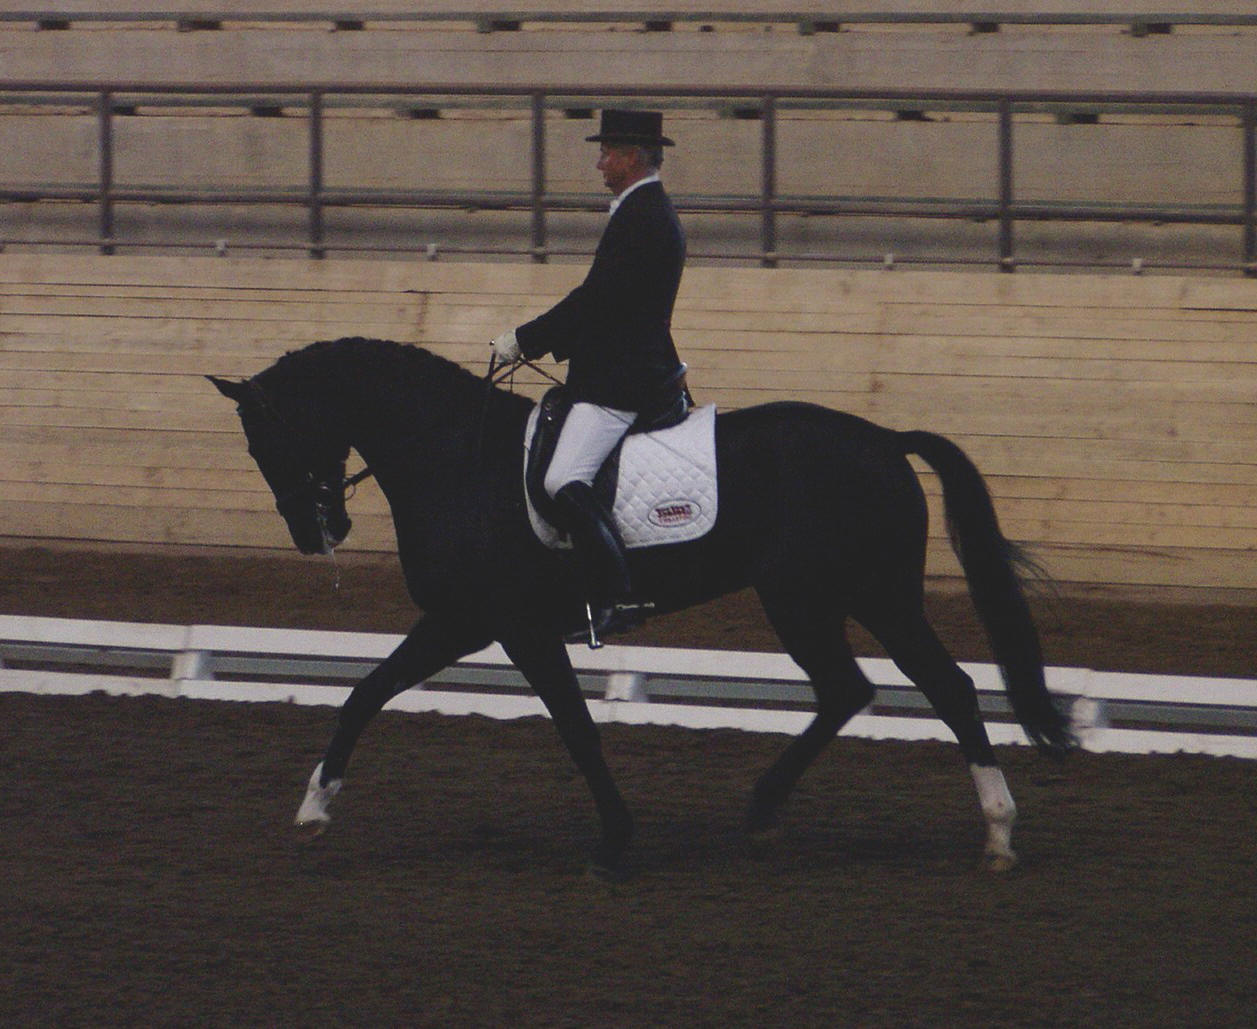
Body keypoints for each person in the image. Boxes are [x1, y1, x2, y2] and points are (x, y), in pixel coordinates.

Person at [491, 108, 688, 642]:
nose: (599, 163)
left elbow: (597, 301)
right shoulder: (640, 210)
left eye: (606, 153)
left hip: (623, 381)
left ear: (631, 158)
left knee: (563, 479)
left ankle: (620, 597)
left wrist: (525, 340)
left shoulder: (644, 217)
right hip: (621, 366)